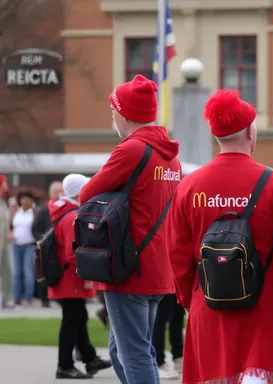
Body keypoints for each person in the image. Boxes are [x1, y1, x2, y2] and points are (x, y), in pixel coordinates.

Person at [169, 89, 273, 383]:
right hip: (267, 303)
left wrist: (188, 299)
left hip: (209, 300)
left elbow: (176, 251)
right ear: (251, 132)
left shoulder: (190, 186)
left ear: (216, 137)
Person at [78, 74, 180, 384]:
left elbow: (85, 195)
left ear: (124, 114)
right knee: (125, 351)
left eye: (113, 111)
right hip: (156, 267)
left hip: (128, 268)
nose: (112, 116)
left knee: (134, 354)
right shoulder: (169, 155)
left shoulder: (131, 150)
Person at [50, 174, 112, 379]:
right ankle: (64, 365)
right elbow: (72, 253)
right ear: (78, 191)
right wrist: (89, 271)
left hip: (67, 278)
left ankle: (89, 358)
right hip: (70, 279)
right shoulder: (70, 218)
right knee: (71, 320)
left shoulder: (66, 213)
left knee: (78, 318)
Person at [32, 181, 63, 308]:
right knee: (44, 272)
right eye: (57, 192)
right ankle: (44, 299)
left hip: (58, 247)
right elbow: (35, 228)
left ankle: (57, 297)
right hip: (46, 247)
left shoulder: (62, 208)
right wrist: (42, 241)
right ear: (51, 193)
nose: (59, 194)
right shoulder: (44, 209)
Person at [11, 190, 36, 306]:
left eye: (26, 198)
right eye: (22, 199)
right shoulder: (17, 212)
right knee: (16, 272)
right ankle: (16, 297)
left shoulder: (34, 213)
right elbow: (11, 226)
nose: (24, 201)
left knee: (28, 272)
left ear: (31, 200)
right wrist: (10, 233)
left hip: (28, 245)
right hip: (16, 245)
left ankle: (28, 297)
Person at [152, 294, 184, 379]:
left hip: (174, 283)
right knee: (160, 318)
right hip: (161, 285)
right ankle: (158, 363)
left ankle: (178, 357)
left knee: (178, 313)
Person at [0, 175, 11, 308]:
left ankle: (7, 300)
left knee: (8, 271)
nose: (7, 187)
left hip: (5, 244)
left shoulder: (3, 203)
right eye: (4, 184)